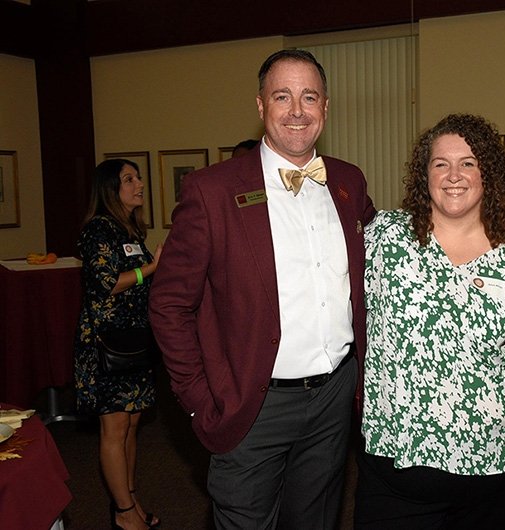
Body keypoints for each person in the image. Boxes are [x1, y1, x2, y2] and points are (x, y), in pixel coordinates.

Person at [148, 49, 375, 529]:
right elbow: (169, 305)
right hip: (251, 404)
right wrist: (200, 399)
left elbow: (378, 271)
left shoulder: (348, 183)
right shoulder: (211, 191)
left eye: (309, 96)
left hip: (334, 398)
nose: (297, 110)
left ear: (326, 107)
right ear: (260, 106)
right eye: (282, 96)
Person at [354, 114, 505, 529]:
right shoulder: (384, 237)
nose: (454, 175)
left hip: (495, 467)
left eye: (468, 163)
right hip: (397, 470)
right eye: (440, 164)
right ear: (424, 174)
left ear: (488, 173)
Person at [73, 158, 162, 530]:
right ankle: (124, 513)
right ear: (111, 188)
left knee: (131, 424)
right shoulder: (98, 229)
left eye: (138, 177)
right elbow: (109, 282)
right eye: (129, 179)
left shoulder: (129, 229)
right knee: (114, 428)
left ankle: (129, 498)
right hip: (106, 345)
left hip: (135, 341)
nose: (139, 183)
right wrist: (154, 266)